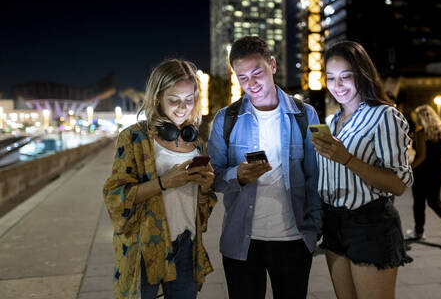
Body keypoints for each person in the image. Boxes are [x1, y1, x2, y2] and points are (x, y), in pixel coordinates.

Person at [207, 36, 322, 299]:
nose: (251, 83)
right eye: (243, 77)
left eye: (257, 72)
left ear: (272, 65)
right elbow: (212, 176)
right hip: (242, 242)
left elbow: (315, 176)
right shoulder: (226, 119)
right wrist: (237, 174)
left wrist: (316, 227)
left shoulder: (306, 115)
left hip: (293, 239)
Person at [103, 59, 216, 299]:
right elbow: (114, 197)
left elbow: (202, 208)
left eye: (189, 99)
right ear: (157, 98)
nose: (182, 107)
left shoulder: (196, 141)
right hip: (145, 246)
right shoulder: (134, 138)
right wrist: (164, 182)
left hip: (186, 244)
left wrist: (205, 189)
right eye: (174, 100)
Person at [311, 41, 413, 299]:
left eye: (347, 76)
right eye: (331, 78)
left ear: (363, 74)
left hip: (370, 224)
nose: (338, 86)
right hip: (334, 222)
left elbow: (398, 185)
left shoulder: (384, 116)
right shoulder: (332, 122)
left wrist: (347, 159)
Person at [405, 104, 441, 244]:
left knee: (419, 203)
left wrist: (408, 169)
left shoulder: (422, 133)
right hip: (437, 172)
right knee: (434, 201)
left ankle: (419, 232)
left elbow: (421, 157)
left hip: (422, 173)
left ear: (422, 118)